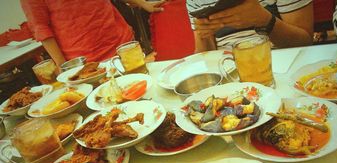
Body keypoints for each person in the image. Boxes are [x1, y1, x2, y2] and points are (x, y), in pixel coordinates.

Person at [20, 0, 164, 67]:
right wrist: (62, 66)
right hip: (86, 61)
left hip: (123, 45)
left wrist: (143, 3)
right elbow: (40, 27)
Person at [186, 0, 314, 52]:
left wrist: (265, 20)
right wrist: (204, 34)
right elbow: (205, 54)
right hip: (226, 70)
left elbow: (304, 41)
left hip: (281, 64)